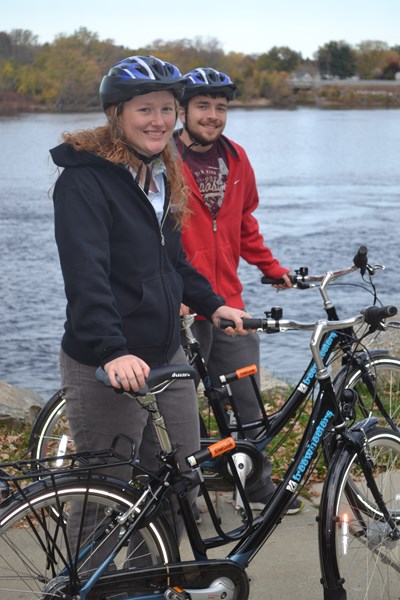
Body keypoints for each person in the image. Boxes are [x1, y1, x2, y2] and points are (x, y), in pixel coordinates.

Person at [49, 55, 250, 544]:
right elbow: (86, 276)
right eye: (145, 110)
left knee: (178, 484)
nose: (159, 121)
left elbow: (174, 263)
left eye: (167, 109)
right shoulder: (84, 181)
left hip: (166, 357)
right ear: (116, 114)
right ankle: (82, 588)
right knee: (103, 491)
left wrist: (212, 303)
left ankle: (151, 585)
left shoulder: (161, 176)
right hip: (108, 364)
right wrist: (112, 350)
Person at [174, 67, 303, 514]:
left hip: (229, 302)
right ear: (184, 110)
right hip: (180, 308)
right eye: (203, 106)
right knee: (181, 410)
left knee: (247, 404)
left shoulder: (237, 157)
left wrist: (271, 267)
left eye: (221, 108)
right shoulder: (161, 159)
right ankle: (182, 500)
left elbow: (244, 224)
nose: (213, 116)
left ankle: (255, 488)